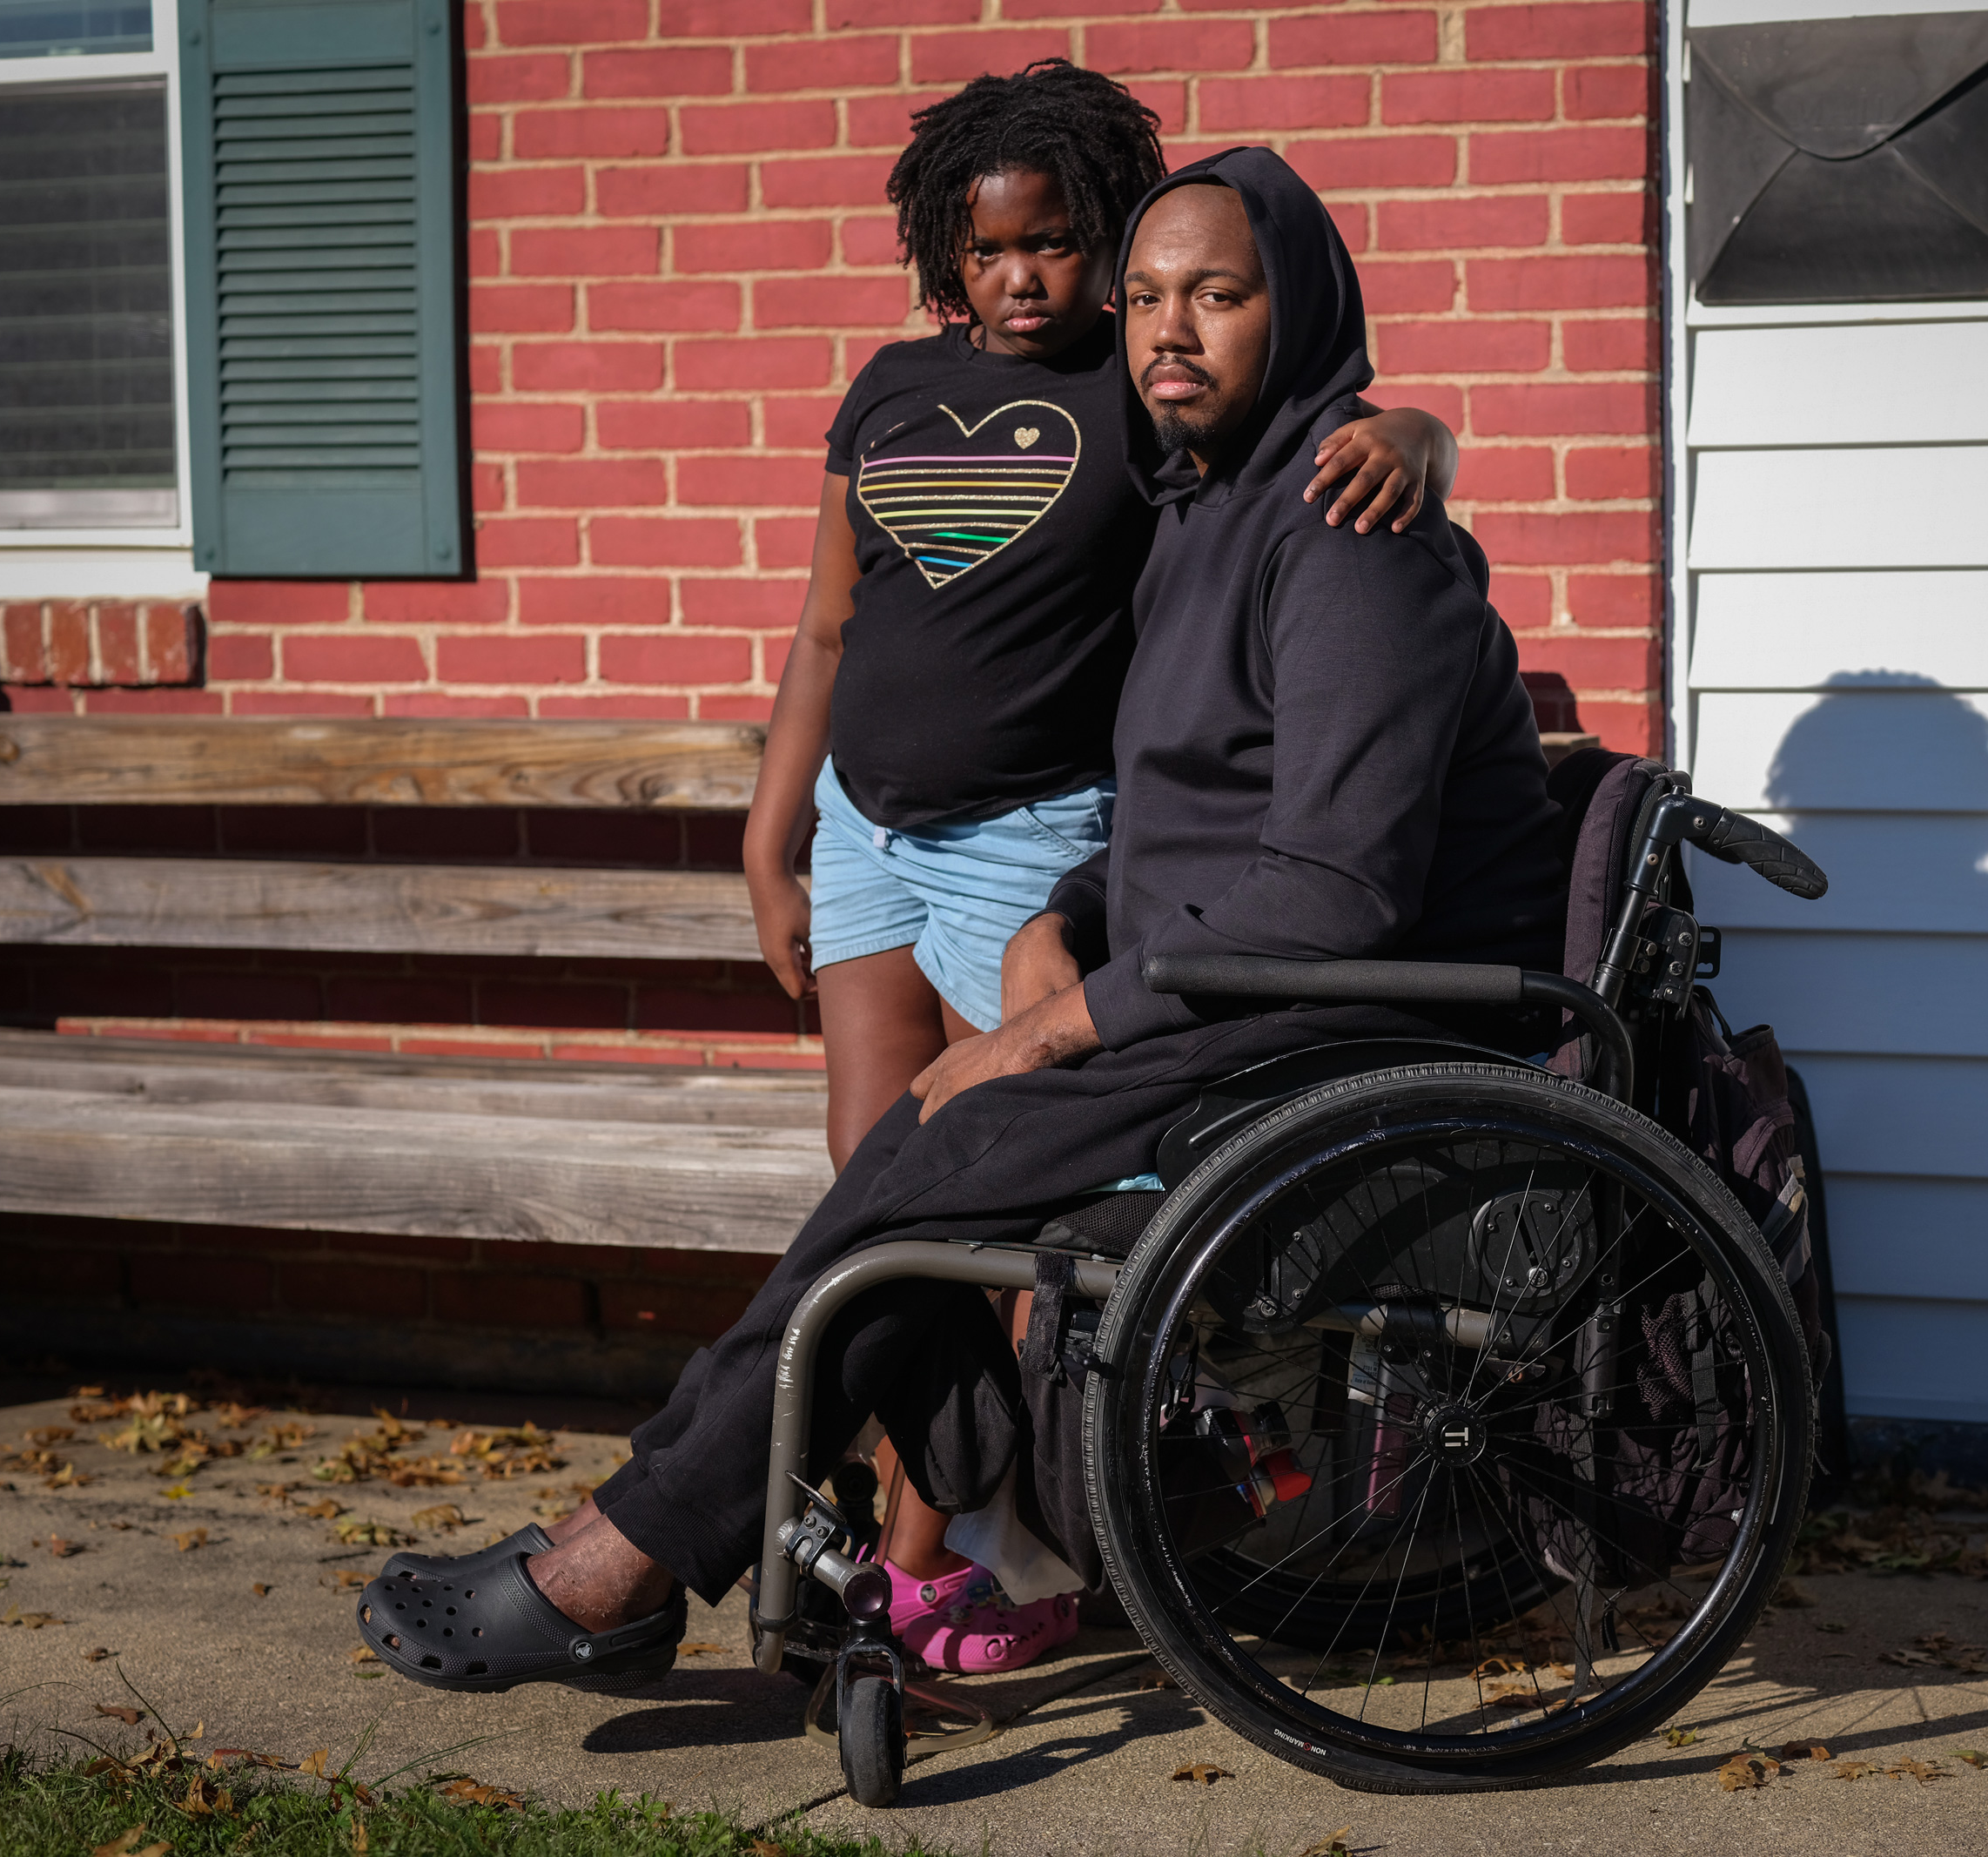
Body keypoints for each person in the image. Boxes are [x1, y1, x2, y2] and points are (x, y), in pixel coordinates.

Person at [357, 145, 1563, 1699]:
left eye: (1217, 294)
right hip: (1215, 987)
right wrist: (1059, 919)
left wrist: (1060, 1023)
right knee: (913, 1170)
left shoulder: (1348, 537)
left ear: (1302, 304)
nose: (1166, 333)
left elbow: (1337, 893)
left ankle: (627, 1555)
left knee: (930, 1160)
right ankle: (801, 1541)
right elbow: (1186, 802)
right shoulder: (1207, 509)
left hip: (1338, 1024)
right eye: (1141, 298)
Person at [735, 60, 1458, 1671]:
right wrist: (769, 834)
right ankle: (936, 1520)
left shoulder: (1134, 402)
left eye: (1057, 245)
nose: (1021, 279)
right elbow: (824, 623)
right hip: (864, 833)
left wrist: (1425, 429)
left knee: (971, 1195)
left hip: (1029, 841)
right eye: (987, 250)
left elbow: (1296, 419)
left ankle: (944, 1558)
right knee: (878, 1184)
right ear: (941, 248)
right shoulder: (890, 386)